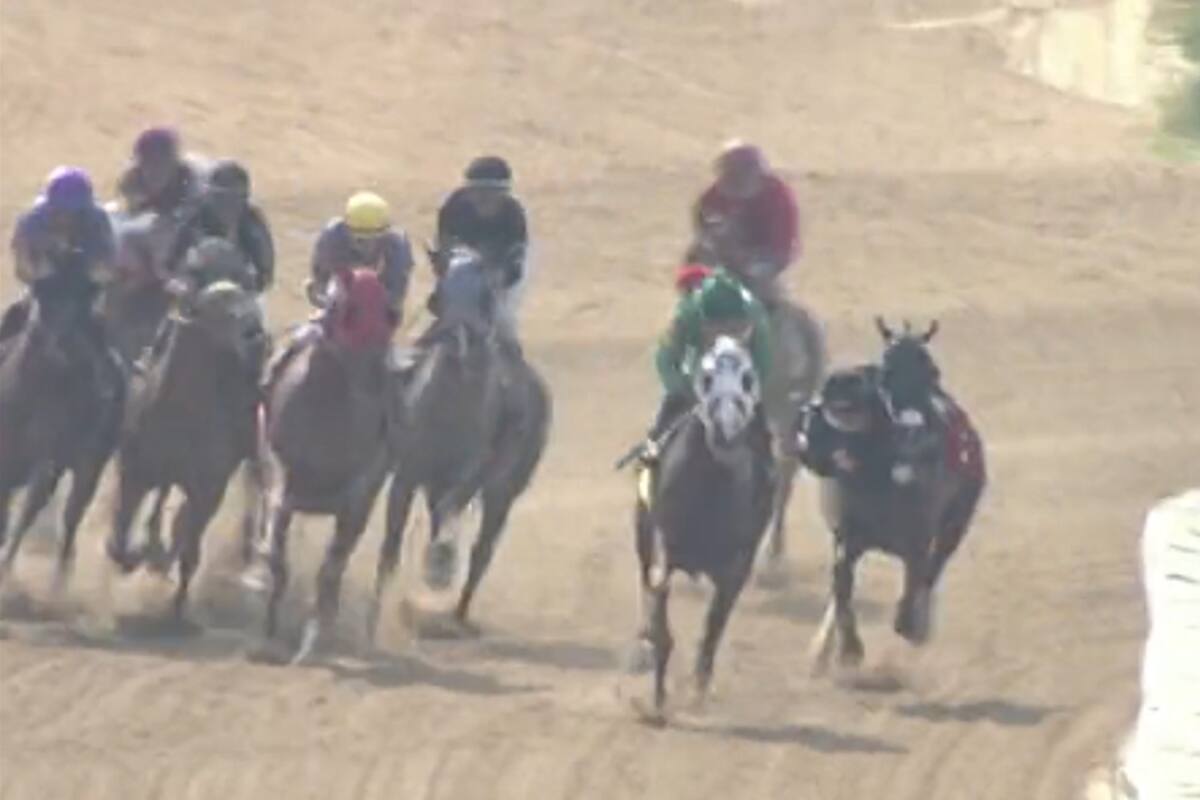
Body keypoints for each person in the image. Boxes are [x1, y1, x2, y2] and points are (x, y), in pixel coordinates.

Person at [0, 166, 122, 396]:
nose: (65, 217)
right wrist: (39, 269)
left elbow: (106, 268)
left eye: (72, 212)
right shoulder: (31, 221)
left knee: (103, 337)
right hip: (43, 288)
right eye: (59, 210)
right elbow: (22, 267)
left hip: (84, 291)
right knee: (12, 316)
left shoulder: (98, 221)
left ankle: (113, 390)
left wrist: (88, 267)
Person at [641, 268, 772, 463]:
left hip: (740, 374)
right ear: (702, 320)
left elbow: (764, 360)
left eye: (735, 328)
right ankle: (653, 450)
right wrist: (685, 388)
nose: (725, 336)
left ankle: (769, 468)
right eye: (716, 328)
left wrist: (751, 390)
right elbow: (666, 359)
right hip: (699, 371)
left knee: (764, 431)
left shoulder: (756, 313)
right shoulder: (687, 313)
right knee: (667, 416)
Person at [688, 140, 800, 310]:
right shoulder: (712, 198)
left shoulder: (778, 198)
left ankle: (771, 322)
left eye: (742, 176)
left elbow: (781, 245)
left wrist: (749, 260)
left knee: (760, 286)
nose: (736, 182)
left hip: (768, 252)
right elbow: (703, 229)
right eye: (731, 177)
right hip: (725, 251)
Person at [435, 156, 529, 340]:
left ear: (504, 194)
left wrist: (498, 278)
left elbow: (514, 268)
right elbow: (444, 245)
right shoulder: (454, 206)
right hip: (462, 262)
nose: (483, 198)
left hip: (501, 266)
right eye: (477, 192)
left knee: (503, 320)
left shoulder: (514, 215)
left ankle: (509, 354)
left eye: (491, 193)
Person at [163, 159, 274, 294]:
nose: (227, 204)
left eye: (235, 197)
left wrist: (246, 283)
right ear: (208, 195)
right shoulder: (192, 217)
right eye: (220, 197)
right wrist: (182, 284)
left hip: (240, 297)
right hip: (195, 295)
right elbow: (169, 266)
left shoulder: (252, 223)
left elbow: (265, 274)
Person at [308, 190, 413, 315]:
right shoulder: (332, 237)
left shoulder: (397, 243)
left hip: (377, 292)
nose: (367, 245)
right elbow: (322, 279)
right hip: (340, 290)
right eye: (360, 239)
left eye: (374, 238)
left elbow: (396, 293)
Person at [795, 365, 894, 489]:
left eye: (853, 411)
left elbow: (897, 445)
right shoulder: (814, 423)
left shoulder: (883, 412)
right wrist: (833, 462)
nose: (846, 419)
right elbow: (811, 458)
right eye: (838, 413)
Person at [115, 126, 206, 218]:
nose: (155, 171)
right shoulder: (131, 181)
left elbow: (193, 213)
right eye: (149, 162)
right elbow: (130, 215)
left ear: (174, 163)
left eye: (161, 163)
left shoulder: (191, 179)